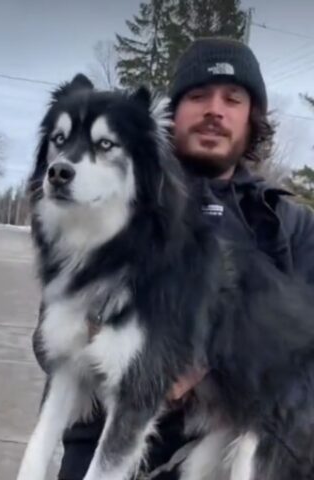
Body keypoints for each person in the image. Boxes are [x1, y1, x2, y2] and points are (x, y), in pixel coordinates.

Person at [39, 37, 314, 480]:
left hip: (237, 436)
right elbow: (46, 339)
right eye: (199, 95)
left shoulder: (289, 224)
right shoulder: (121, 198)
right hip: (104, 438)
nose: (214, 110)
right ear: (174, 112)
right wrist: (141, 355)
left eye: (233, 99)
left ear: (252, 117)